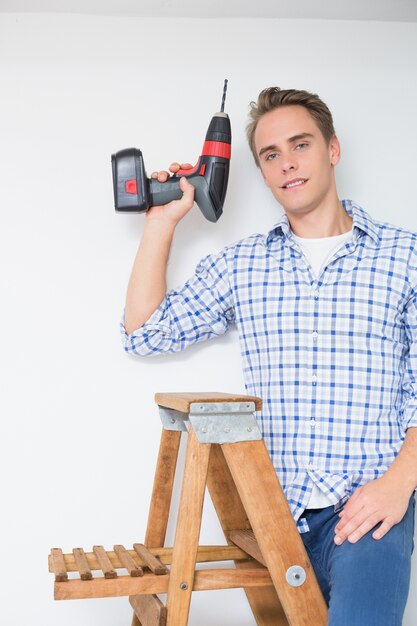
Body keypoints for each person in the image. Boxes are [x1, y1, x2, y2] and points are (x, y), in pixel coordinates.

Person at [121, 87, 417, 625]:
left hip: (373, 509)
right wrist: (162, 223)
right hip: (274, 518)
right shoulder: (243, 264)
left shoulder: (408, 256)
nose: (287, 163)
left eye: (299, 145)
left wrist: (400, 484)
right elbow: (145, 333)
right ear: (260, 170)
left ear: (333, 149)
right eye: (270, 155)